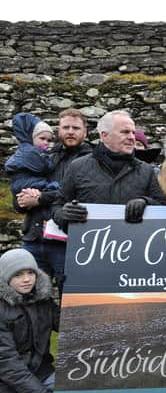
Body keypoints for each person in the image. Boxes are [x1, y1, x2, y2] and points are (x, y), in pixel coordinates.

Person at [13, 109, 93, 293]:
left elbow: (75, 194)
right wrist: (22, 201)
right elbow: (22, 189)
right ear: (59, 130)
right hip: (34, 239)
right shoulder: (44, 156)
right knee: (31, 299)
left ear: (85, 132)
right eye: (66, 127)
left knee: (71, 297)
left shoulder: (92, 161)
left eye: (75, 127)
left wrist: (40, 198)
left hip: (67, 242)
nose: (70, 131)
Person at [53, 110, 166, 229]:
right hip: (89, 243)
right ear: (104, 135)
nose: (132, 137)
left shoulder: (146, 170)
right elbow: (57, 205)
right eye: (125, 132)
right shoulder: (77, 167)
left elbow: (161, 206)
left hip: (133, 243)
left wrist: (145, 202)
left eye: (133, 132)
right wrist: (62, 214)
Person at [0, 248, 60, 393]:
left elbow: (67, 325)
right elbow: (6, 362)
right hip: (4, 382)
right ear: (6, 277)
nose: (26, 279)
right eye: (18, 275)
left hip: (40, 371)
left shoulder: (42, 299)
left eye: (30, 273)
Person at [5, 114, 58, 196]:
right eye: (42, 138)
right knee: (46, 185)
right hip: (23, 181)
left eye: (49, 140)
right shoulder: (30, 151)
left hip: (24, 181)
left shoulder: (33, 150)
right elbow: (41, 166)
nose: (46, 143)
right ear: (31, 137)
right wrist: (51, 165)